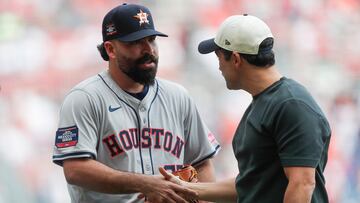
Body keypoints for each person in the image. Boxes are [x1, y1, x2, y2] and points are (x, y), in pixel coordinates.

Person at [52, 3, 220, 203]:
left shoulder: (178, 96)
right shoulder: (85, 98)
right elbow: (76, 170)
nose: (148, 50)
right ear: (111, 49)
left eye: (151, 40)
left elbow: (202, 163)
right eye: (136, 42)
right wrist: (144, 183)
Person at [160, 14, 331, 203]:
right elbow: (250, 184)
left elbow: (302, 184)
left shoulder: (291, 104)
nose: (218, 67)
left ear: (235, 59)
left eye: (219, 57)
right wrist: (184, 188)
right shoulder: (266, 102)